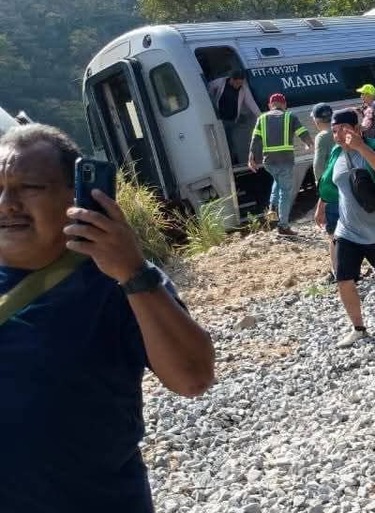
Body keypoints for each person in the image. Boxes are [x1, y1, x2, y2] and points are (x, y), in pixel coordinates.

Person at [0, 124, 214, 512]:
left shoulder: (117, 280)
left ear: (77, 197)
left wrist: (133, 272)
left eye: (29, 187)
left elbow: (193, 377)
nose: (7, 203)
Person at [316, 109, 375, 348]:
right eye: (334, 131)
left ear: (356, 129)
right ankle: (358, 328)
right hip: (347, 231)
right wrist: (321, 205)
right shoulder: (336, 152)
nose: (337, 136)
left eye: (343, 130)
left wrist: (360, 147)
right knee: (343, 279)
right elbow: (331, 183)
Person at [248, 93, 314, 236]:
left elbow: (255, 139)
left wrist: (251, 158)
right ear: (284, 104)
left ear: (270, 105)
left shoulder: (261, 118)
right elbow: (302, 132)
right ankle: (283, 226)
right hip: (285, 160)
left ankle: (272, 207)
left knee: (278, 181)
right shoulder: (290, 116)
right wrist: (309, 143)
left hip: (269, 162)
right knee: (285, 192)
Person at [207, 69, 261, 165]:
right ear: (231, 79)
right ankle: (227, 162)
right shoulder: (220, 83)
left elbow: (252, 104)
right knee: (222, 143)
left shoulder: (243, 89)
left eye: (240, 83)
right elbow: (209, 88)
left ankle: (232, 162)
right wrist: (211, 104)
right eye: (237, 83)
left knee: (231, 143)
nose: (238, 86)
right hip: (220, 120)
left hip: (231, 121)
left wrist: (261, 117)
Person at [311, 103, 339, 281]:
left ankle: (337, 272)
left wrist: (321, 195)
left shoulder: (322, 136)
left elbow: (319, 166)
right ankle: (355, 267)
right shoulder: (341, 131)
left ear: (315, 120)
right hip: (347, 187)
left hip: (331, 190)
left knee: (334, 233)